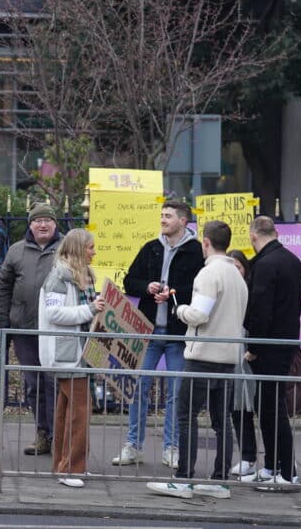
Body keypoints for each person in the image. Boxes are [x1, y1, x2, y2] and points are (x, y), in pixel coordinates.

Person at [146, 220, 248, 499]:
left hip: (203, 355)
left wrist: (180, 310)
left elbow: (199, 315)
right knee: (221, 420)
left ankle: (184, 478)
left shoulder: (208, 274)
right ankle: (219, 480)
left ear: (205, 242)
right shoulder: (237, 276)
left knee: (186, 416)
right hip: (228, 357)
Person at [113, 200, 204, 468]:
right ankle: (133, 446)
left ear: (183, 221)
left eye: (168, 216)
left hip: (178, 333)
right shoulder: (151, 248)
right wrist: (147, 287)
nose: (163, 220)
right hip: (148, 332)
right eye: (162, 215)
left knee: (176, 393)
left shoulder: (196, 251)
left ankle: (171, 448)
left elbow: (200, 289)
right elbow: (129, 281)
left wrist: (174, 293)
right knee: (138, 387)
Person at [38, 228, 105, 488]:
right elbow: (54, 313)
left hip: (76, 353)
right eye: (90, 247)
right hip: (68, 354)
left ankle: (63, 465)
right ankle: (71, 468)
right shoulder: (59, 277)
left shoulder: (78, 276)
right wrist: (90, 309)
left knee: (67, 411)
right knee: (79, 412)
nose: (94, 252)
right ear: (79, 249)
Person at [242, 216, 301, 486]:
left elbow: (260, 310)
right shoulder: (292, 260)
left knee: (272, 410)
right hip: (286, 342)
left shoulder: (265, 264)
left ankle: (287, 472)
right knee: (269, 409)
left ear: (253, 236)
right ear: (275, 232)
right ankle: (271, 467)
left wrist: (253, 348)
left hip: (269, 348)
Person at [0, 203, 62, 455]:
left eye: (47, 220)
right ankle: (42, 433)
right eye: (37, 221)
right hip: (24, 329)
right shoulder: (16, 251)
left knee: (54, 382)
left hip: (57, 330)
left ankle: (60, 434)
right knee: (34, 384)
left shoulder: (66, 248)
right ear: (30, 224)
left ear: (55, 223)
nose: (42, 224)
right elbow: (3, 286)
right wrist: (3, 323)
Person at [226, 249, 258, 477]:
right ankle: (248, 456)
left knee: (264, 410)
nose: (234, 271)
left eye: (238, 266)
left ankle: (279, 461)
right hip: (230, 357)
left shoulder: (252, 291)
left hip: (249, 355)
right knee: (238, 409)